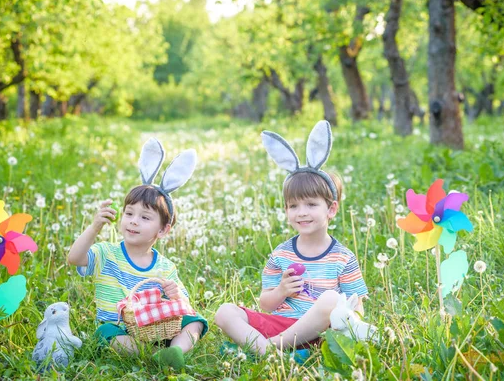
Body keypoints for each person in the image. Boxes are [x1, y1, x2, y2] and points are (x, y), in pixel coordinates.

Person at [215, 121, 368, 356]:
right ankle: (272, 347)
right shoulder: (281, 254)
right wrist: (282, 291)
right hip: (281, 326)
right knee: (224, 312)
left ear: (332, 209)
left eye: (311, 204)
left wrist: (347, 321)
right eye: (293, 206)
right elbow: (266, 305)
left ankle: (267, 349)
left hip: (322, 333)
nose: (302, 212)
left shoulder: (343, 258)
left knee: (330, 300)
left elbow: (357, 308)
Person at [67, 139, 207, 370]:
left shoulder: (165, 266)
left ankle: (175, 350)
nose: (133, 221)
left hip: (156, 327)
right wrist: (93, 228)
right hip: (121, 329)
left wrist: (175, 295)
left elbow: (184, 306)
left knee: (195, 322)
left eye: (145, 217)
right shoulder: (106, 253)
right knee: (105, 332)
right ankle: (153, 355)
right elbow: (74, 258)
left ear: (163, 230)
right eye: (129, 213)